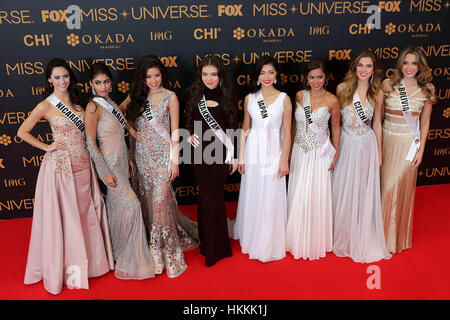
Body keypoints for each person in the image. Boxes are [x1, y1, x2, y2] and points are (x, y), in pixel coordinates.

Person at [18, 58, 114, 295]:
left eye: (65, 76)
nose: (62, 81)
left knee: (85, 215)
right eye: (57, 77)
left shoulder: (81, 101)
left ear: (70, 77)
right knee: (67, 219)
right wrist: (46, 146)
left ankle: (92, 264)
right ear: (49, 80)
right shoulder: (45, 105)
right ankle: (70, 269)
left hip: (84, 167)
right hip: (61, 169)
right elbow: (22, 131)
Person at [120, 55, 198, 277]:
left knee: (161, 202)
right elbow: (117, 112)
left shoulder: (170, 97)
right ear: (142, 79)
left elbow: (175, 132)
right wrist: (132, 131)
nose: (153, 80)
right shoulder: (136, 97)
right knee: (149, 205)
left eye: (157, 75)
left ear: (162, 74)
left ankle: (165, 253)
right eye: (148, 77)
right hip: (143, 158)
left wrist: (174, 160)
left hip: (164, 158)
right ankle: (154, 250)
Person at [84, 62, 155, 279]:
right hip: (109, 164)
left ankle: (116, 250)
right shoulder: (93, 107)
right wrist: (103, 171)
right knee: (132, 205)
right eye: (98, 82)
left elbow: (122, 124)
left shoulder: (111, 102)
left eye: (106, 82)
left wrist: (131, 152)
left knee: (117, 208)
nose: (103, 86)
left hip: (122, 161)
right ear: (91, 84)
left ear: (111, 83)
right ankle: (128, 254)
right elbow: (90, 142)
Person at [332, 50, 391, 263]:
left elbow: (377, 124)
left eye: (368, 66)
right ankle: (342, 233)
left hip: (366, 144)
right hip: (346, 143)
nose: (364, 70)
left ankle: (360, 234)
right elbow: (335, 123)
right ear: (354, 68)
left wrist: (380, 153)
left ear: (374, 70)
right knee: (343, 188)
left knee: (361, 189)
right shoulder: (342, 89)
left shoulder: (378, 93)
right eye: (360, 65)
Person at [232, 55, 291, 262]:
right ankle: (252, 234)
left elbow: (288, 132)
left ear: (276, 75)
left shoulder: (284, 98)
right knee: (254, 192)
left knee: (271, 194)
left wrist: (285, 159)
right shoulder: (250, 98)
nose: (266, 76)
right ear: (257, 76)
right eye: (262, 72)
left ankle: (268, 240)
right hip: (253, 151)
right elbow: (245, 129)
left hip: (274, 151)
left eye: (271, 72)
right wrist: (240, 156)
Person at [183, 55, 238, 267]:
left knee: (215, 198)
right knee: (206, 198)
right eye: (205, 74)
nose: (209, 78)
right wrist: (188, 135)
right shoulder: (194, 96)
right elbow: (185, 120)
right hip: (200, 155)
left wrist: (234, 154)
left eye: (213, 74)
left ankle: (218, 247)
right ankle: (207, 245)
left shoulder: (228, 96)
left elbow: (233, 125)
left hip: (220, 154)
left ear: (220, 75)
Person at [381, 45, 436, 253]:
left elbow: (425, 124)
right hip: (387, 141)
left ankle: (392, 241)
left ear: (420, 66)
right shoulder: (388, 85)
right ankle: (378, 238)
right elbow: (377, 118)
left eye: (414, 63)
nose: (409, 67)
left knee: (393, 189)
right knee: (383, 188)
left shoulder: (427, 90)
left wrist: (420, 151)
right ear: (400, 65)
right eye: (406, 62)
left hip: (408, 145)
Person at [285, 59, 340, 260]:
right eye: (311, 77)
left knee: (315, 194)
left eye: (319, 77)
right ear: (306, 78)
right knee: (299, 193)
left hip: (320, 153)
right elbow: (293, 123)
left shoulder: (333, 100)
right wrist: (289, 150)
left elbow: (335, 128)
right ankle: (295, 236)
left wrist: (336, 153)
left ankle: (315, 238)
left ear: (326, 78)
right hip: (300, 151)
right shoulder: (300, 95)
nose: (315, 81)